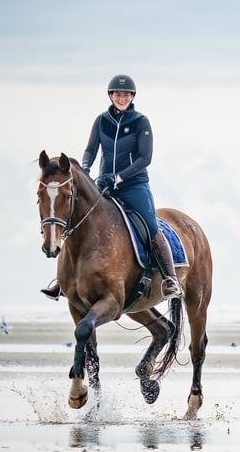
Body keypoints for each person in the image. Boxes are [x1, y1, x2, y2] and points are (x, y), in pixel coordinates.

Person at [41, 74, 182, 301]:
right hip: (105, 185)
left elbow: (145, 158)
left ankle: (169, 278)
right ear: (111, 96)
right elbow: (90, 150)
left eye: (126, 94)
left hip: (134, 186)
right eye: (118, 94)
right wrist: (86, 168)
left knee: (150, 226)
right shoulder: (101, 121)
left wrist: (118, 178)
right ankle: (64, 279)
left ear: (132, 97)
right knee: (77, 220)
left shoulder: (140, 122)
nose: (122, 97)